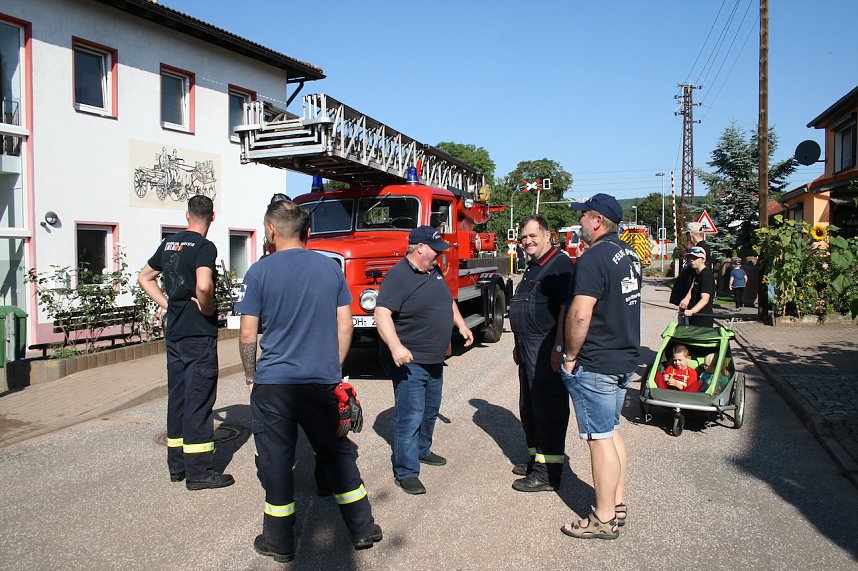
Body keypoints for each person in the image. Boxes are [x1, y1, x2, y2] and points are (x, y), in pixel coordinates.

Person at [235, 200, 381, 563]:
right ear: (308, 232)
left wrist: (252, 377)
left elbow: (247, 334)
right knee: (337, 455)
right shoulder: (329, 269)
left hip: (274, 385)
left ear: (270, 231)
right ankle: (362, 529)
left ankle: (280, 542)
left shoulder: (258, 272)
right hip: (321, 381)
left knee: (277, 461)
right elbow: (345, 324)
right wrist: (333, 369)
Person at [137, 195, 234, 491]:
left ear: (187, 215)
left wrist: (167, 303)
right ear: (212, 217)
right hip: (198, 332)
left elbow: (144, 277)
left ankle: (177, 466)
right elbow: (204, 284)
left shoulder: (168, 244)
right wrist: (206, 308)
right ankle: (199, 472)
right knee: (199, 399)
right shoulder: (204, 247)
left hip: (176, 331)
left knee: (178, 396)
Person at [559, 193, 641, 540]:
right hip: (623, 357)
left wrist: (569, 356)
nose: (579, 224)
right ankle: (617, 503)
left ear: (596, 221)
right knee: (612, 430)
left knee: (599, 438)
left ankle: (604, 518)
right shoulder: (630, 254)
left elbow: (580, 313)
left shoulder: (593, 259)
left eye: (582, 217)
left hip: (598, 360)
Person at [374, 226, 474, 495]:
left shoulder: (433, 271)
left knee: (430, 409)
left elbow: (447, 301)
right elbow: (381, 314)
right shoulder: (398, 276)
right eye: (435, 249)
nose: (439, 254)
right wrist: (396, 347)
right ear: (419, 248)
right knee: (410, 414)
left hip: (434, 357)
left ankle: (422, 450)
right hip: (410, 359)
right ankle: (406, 471)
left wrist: (461, 325)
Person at [508, 215, 575, 492]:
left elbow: (566, 310)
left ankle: (548, 473)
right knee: (530, 408)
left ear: (548, 235)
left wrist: (560, 348)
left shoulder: (559, 266)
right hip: (527, 347)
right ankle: (537, 459)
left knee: (548, 409)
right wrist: (518, 344)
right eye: (524, 237)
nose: (527, 241)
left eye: (533, 236)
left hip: (546, 347)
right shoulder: (534, 266)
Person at [669, 222, 712, 308]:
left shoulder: (701, 249)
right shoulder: (699, 247)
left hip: (692, 301)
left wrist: (687, 298)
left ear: (691, 234)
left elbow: (697, 276)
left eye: (687, 234)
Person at [683, 246, 715, 327]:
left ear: (703, 260)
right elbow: (693, 289)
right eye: (690, 257)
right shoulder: (697, 274)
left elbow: (705, 299)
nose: (691, 259)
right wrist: (686, 299)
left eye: (695, 257)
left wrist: (692, 311)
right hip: (694, 318)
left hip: (702, 319)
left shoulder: (706, 275)